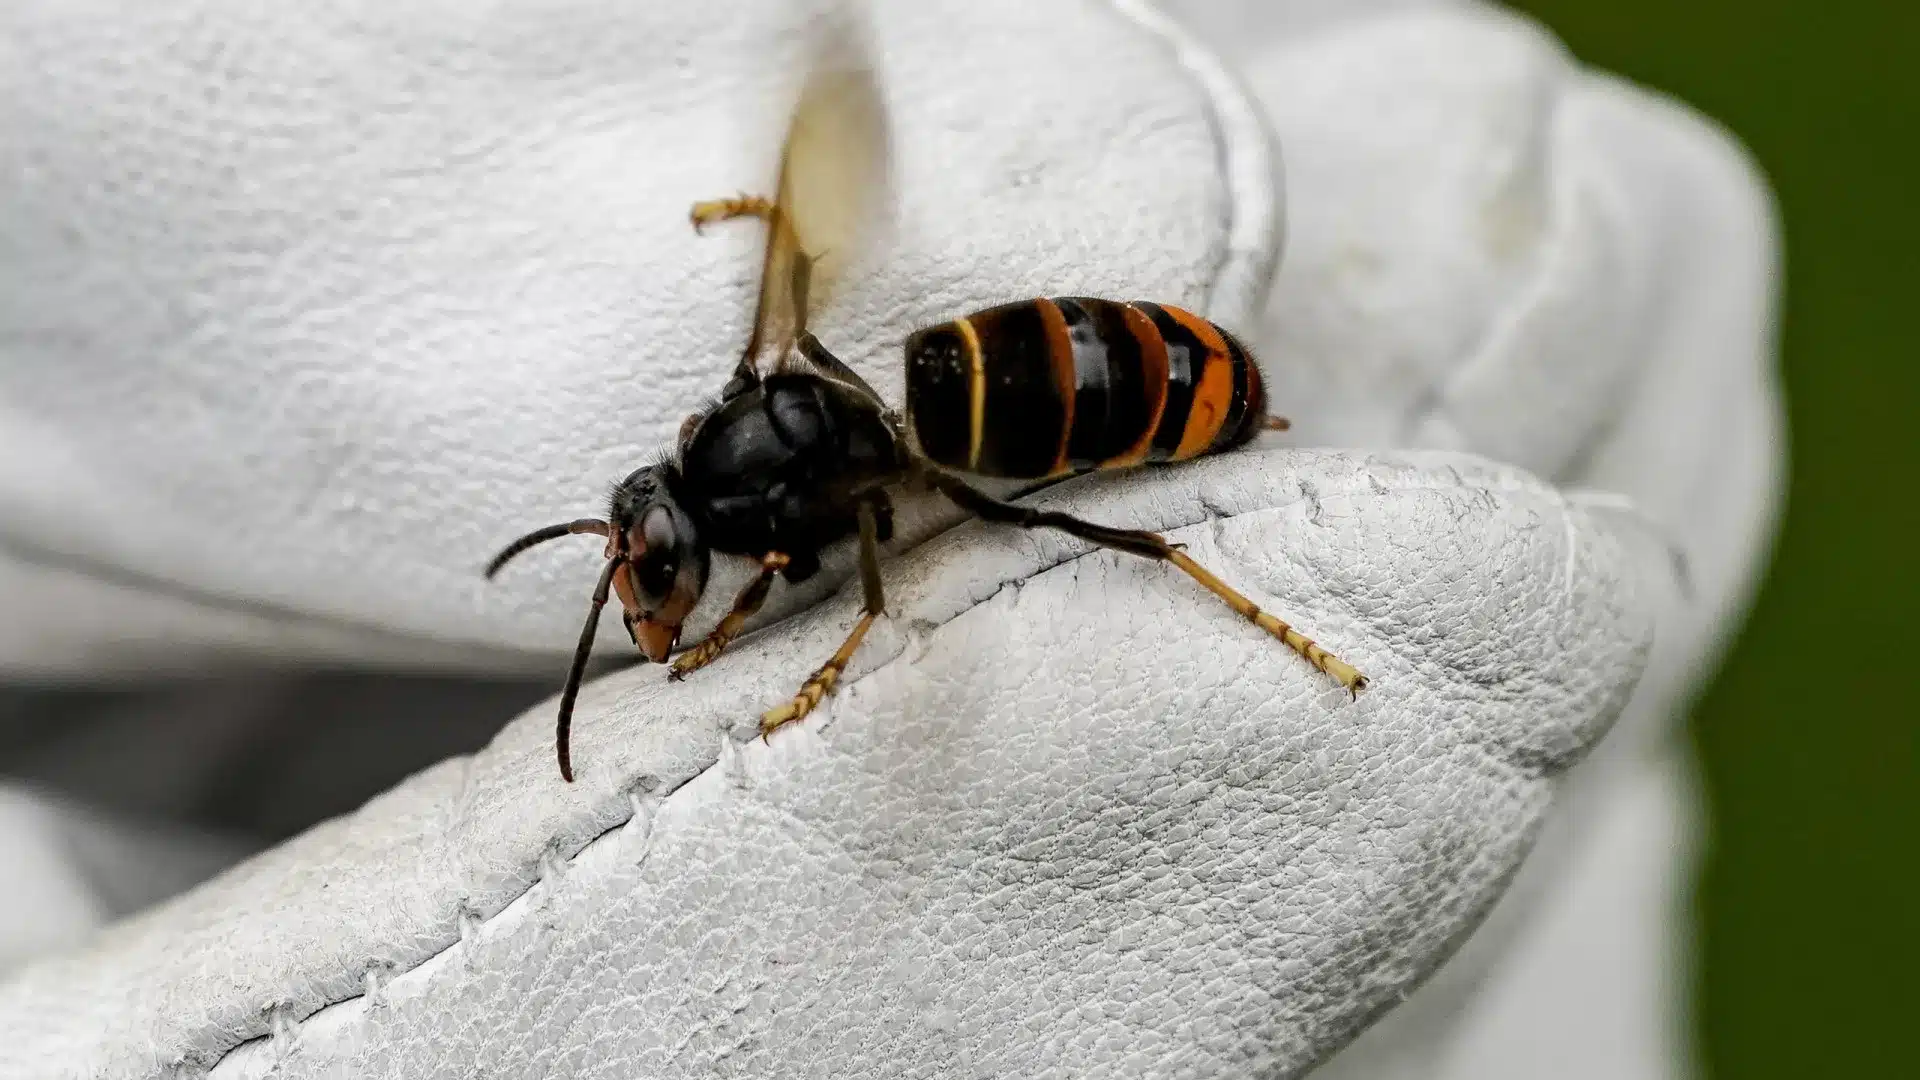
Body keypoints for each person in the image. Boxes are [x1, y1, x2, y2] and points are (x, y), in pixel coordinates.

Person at [0, 1, 1779, 1076]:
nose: (655, 590)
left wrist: (844, 657)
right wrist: (772, 211)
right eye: (648, 579)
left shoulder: (802, 513)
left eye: (656, 570)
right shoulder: (768, 379)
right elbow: (803, 255)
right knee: (981, 487)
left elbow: (867, 588)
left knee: (1024, 528)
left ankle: (1254, 598)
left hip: (1097, 389)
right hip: (1008, 369)